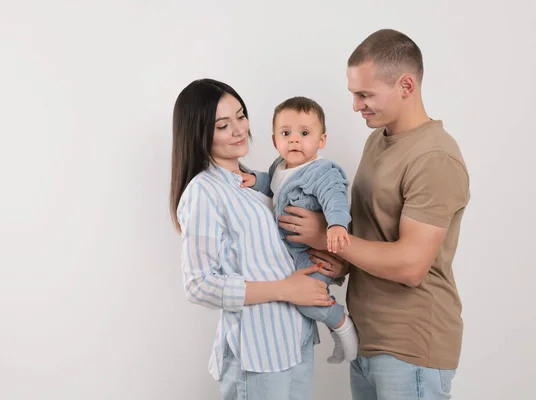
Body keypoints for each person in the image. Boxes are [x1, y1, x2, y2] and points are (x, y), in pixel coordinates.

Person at [277, 29, 470, 399]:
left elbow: (412, 265)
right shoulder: (377, 139)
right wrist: (339, 262)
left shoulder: (434, 158)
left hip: (412, 345)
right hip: (369, 337)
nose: (355, 105)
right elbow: (371, 235)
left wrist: (324, 237)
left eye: (364, 94)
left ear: (406, 86)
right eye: (353, 93)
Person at [170, 78, 336, 400]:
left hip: (296, 335)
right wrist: (284, 289)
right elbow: (199, 284)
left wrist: (327, 255)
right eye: (223, 125)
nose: (238, 129)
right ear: (198, 132)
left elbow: (280, 252)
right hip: (259, 350)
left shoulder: (258, 183)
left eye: (241, 116)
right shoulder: (204, 192)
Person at [236, 96, 359, 364]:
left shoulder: (322, 171)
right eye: (286, 133)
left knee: (306, 300)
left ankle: (341, 324)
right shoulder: (279, 167)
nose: (294, 140)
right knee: (295, 294)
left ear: (321, 140)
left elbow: (335, 197)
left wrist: (337, 225)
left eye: (304, 133)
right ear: (275, 141)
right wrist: (257, 180)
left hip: (311, 253)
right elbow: (274, 186)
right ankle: (331, 320)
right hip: (289, 254)